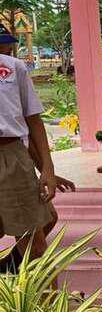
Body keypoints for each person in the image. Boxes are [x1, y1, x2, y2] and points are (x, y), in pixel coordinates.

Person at [0, 25, 75, 274]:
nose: (8, 49)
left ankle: (42, 296)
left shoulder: (13, 69)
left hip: (10, 154)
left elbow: (30, 121)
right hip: (13, 156)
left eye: (8, 45)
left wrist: (47, 169)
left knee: (36, 239)